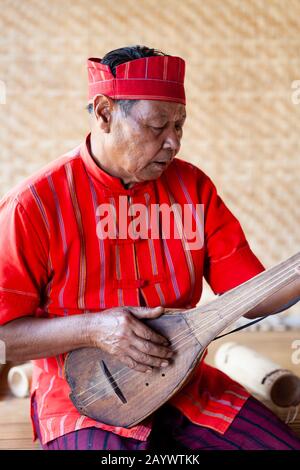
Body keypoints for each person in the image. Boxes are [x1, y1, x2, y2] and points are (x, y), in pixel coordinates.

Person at [0, 45, 300, 450]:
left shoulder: (194, 189)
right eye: (157, 126)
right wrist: (94, 329)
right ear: (105, 113)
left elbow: (250, 296)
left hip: (187, 386)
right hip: (83, 398)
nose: (173, 142)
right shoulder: (33, 205)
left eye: (179, 126)